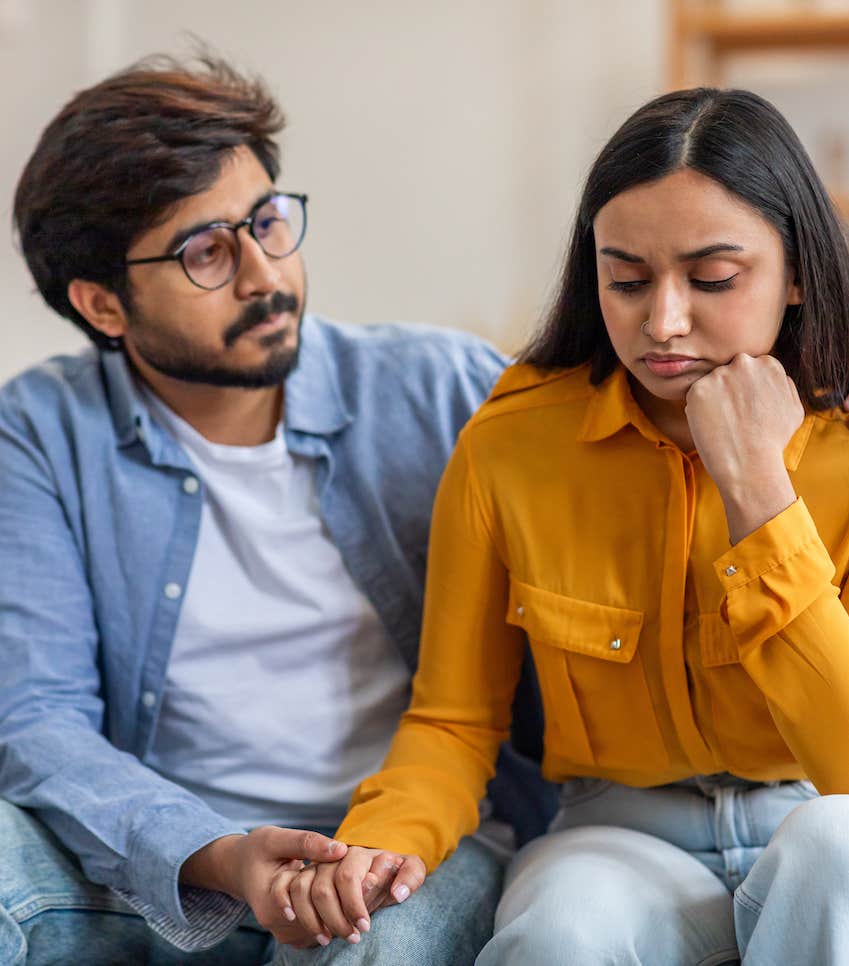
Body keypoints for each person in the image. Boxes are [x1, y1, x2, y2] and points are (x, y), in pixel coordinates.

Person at [0, 53, 556, 965]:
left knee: (372, 948)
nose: (264, 275)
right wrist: (218, 856)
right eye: (206, 252)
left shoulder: (443, 389)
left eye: (267, 221)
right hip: (171, 868)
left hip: (406, 852)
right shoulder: (40, 432)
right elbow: (38, 719)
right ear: (104, 305)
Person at [292, 87, 849, 965]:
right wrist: (382, 840)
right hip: (621, 832)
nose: (662, 321)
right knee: (562, 926)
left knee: (838, 848)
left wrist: (758, 494)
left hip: (821, 815)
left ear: (800, 275)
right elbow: (453, 718)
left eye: (712, 279)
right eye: (625, 279)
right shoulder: (512, 444)